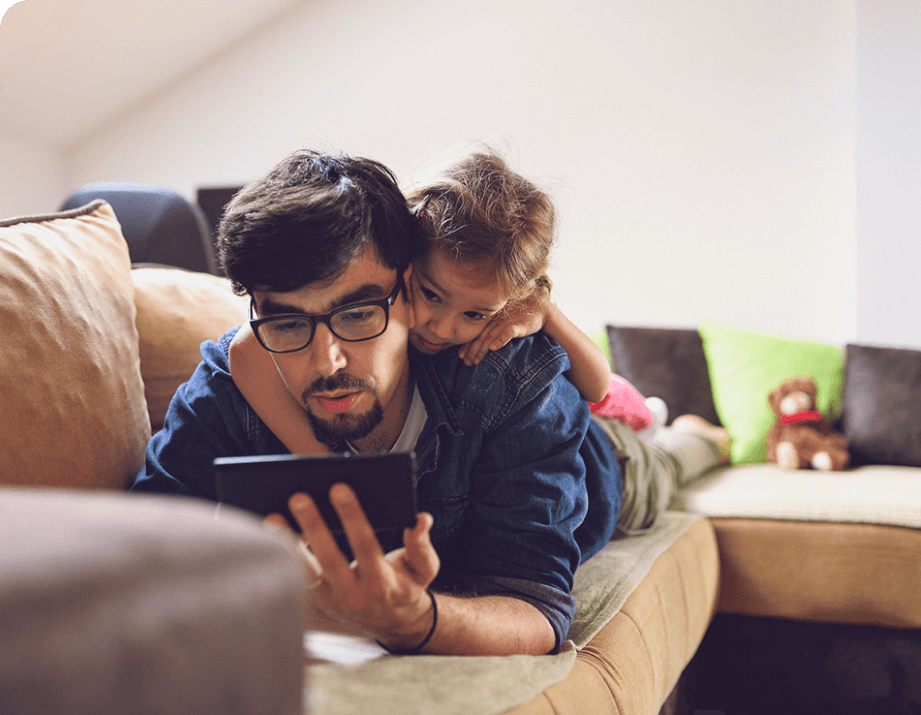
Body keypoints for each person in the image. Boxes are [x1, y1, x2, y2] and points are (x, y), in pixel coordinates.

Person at [132, 148, 729, 657]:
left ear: (404, 286)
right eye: (288, 323)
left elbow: (539, 608)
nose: (329, 362)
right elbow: (130, 547)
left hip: (607, 466)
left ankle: (701, 435)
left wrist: (416, 621)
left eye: (359, 312)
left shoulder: (507, 376)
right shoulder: (233, 379)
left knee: (667, 462)